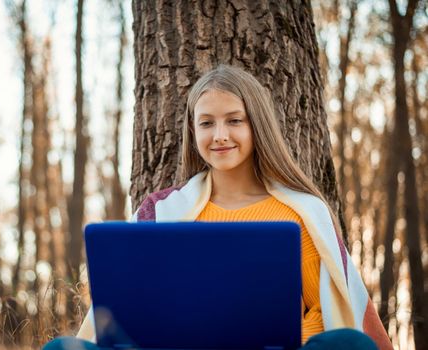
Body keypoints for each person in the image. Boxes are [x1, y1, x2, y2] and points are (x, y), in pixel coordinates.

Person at [44, 65, 392, 350]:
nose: (220, 135)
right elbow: (132, 313)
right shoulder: (161, 210)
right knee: (61, 349)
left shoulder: (301, 212)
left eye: (234, 120)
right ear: (192, 131)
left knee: (349, 344)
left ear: (258, 126)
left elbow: (323, 312)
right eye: (207, 122)